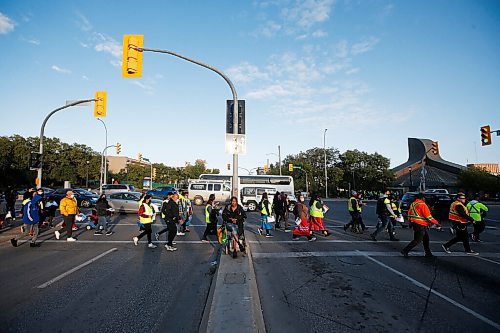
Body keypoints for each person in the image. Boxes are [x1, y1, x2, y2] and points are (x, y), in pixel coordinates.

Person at [401, 193, 440, 258]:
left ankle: (428, 253)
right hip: (420, 224)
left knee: (425, 239)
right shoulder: (422, 204)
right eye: (424, 197)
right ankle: (405, 250)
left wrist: (410, 222)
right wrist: (436, 223)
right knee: (418, 240)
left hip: (416, 224)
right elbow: (428, 217)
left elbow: (409, 214)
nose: (425, 199)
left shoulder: (413, 204)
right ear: (422, 198)